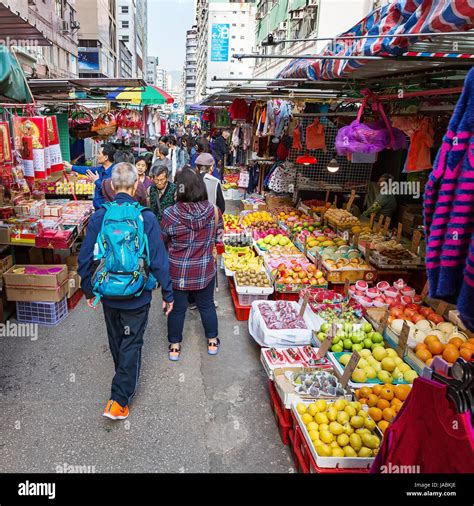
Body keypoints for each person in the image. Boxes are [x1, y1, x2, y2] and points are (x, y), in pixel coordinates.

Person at [78, 162, 174, 420]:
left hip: (109, 293)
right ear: (135, 186)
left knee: (117, 340)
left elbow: (85, 257)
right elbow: (158, 259)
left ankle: (121, 386)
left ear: (110, 185)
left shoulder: (100, 216)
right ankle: (118, 400)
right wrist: (168, 294)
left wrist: (88, 290)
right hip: (138, 293)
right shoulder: (146, 217)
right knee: (132, 341)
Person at [161, 168, 223, 361]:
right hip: (204, 270)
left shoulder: (170, 213)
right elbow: (219, 238)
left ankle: (174, 346)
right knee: (206, 306)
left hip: (177, 271)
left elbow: (163, 241)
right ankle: (212, 341)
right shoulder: (214, 211)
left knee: (177, 309)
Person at [63, 143, 116, 210]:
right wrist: (71, 167)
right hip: (98, 208)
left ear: (106, 157)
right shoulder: (100, 169)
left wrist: (97, 181)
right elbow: (87, 170)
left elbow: (109, 191)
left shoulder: (115, 172)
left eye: (99, 153)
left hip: (108, 210)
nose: (97, 155)